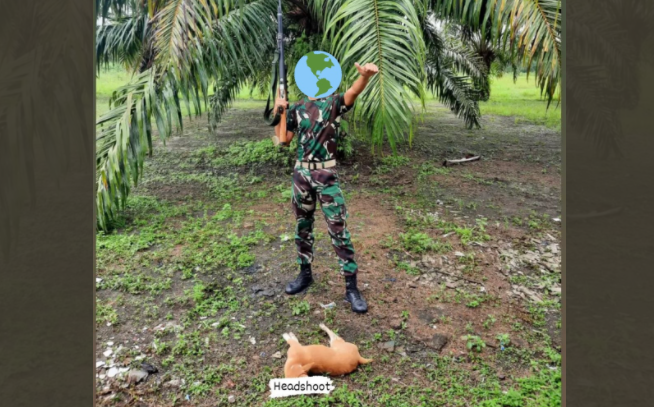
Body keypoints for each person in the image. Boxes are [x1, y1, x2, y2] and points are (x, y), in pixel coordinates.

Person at [273, 62, 379, 314]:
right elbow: (283, 141)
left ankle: (351, 287)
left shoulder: (332, 104)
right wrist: (280, 113)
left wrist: (363, 77)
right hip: (301, 175)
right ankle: (305, 274)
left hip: (326, 174)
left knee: (338, 228)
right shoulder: (296, 108)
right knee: (302, 227)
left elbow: (352, 92)